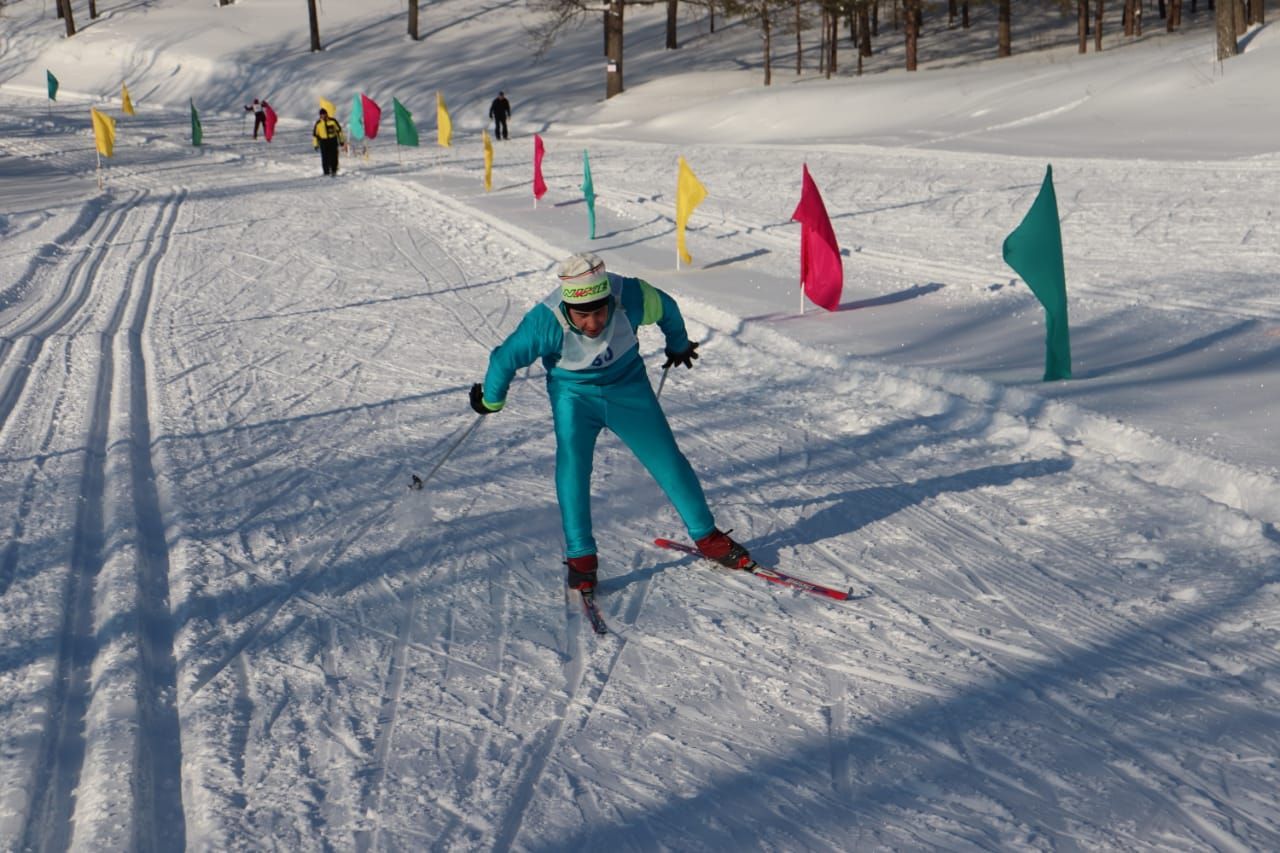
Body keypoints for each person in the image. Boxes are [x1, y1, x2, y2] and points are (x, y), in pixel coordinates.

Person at [469, 252, 752, 592]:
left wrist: (678, 344)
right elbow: (504, 359)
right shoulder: (544, 321)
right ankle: (581, 558)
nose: (593, 324)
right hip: (574, 396)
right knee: (574, 465)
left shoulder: (630, 295)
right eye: (583, 315)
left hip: (628, 388)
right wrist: (491, 400)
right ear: (567, 308)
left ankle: (707, 536)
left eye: (600, 312)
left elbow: (668, 308)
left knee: (667, 459)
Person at [312, 108, 345, 177]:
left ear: (327, 114)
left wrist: (341, 140)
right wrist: (316, 144)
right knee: (325, 157)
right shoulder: (318, 123)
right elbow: (315, 135)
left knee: (334, 156)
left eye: (324, 114)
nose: (323, 116)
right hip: (323, 141)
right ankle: (326, 171)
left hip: (332, 140)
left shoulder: (332, 121)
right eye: (322, 115)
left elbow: (339, 131)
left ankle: (334, 170)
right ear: (320, 116)